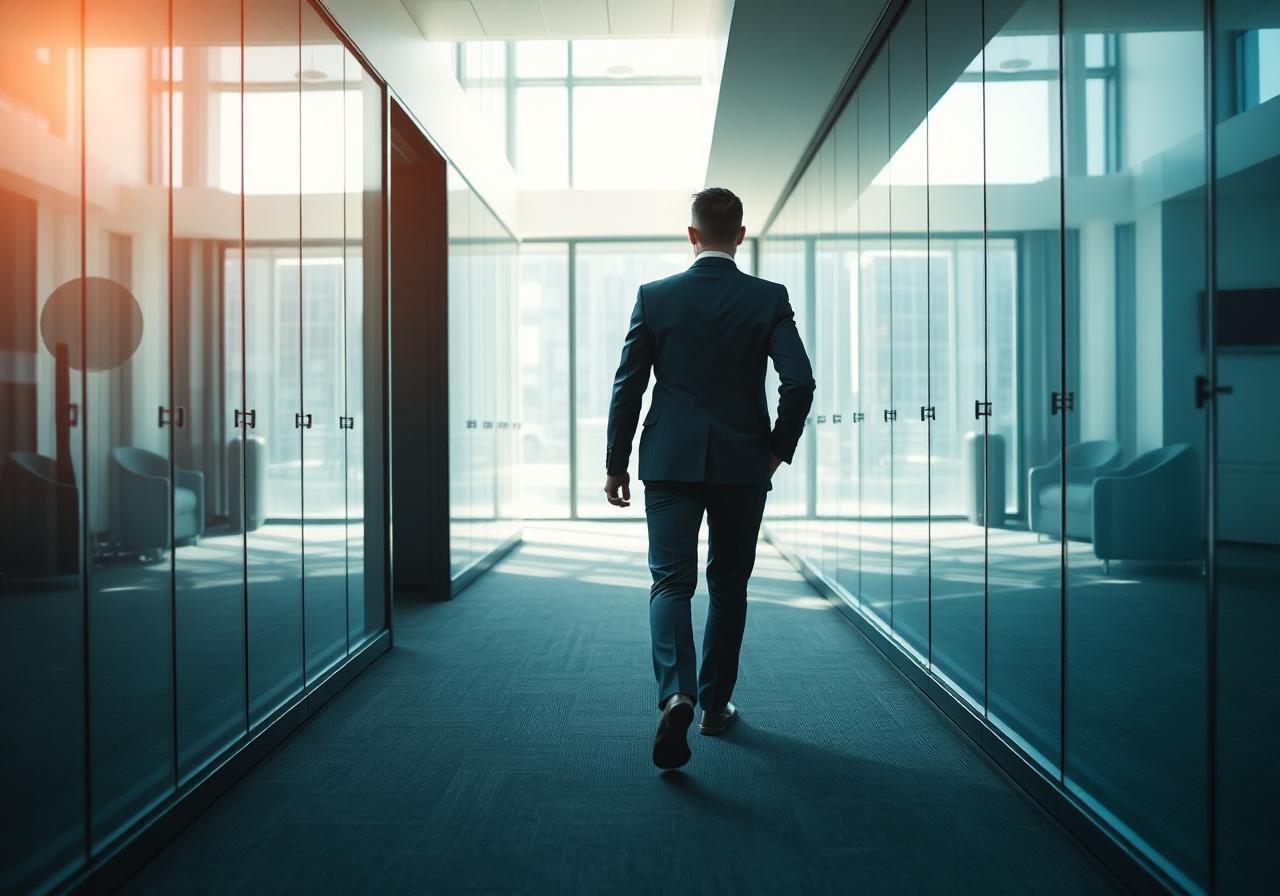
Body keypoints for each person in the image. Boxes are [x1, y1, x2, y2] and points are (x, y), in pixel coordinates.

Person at [603, 187, 815, 770]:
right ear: (740, 235)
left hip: (670, 460)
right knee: (729, 584)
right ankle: (714, 707)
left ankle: (676, 692)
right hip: (742, 465)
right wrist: (775, 450)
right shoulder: (768, 298)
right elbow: (799, 382)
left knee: (671, 583)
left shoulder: (656, 296)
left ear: (692, 235)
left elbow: (629, 385)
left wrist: (616, 462)